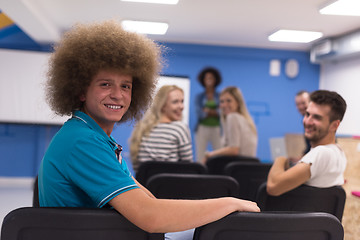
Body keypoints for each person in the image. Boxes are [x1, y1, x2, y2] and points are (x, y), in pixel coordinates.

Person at [37, 20, 259, 237]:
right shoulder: (82, 141)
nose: (117, 94)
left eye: (126, 86)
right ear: (81, 91)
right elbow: (150, 217)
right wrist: (229, 202)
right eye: (105, 84)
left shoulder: (97, 138)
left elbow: (149, 201)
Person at [267, 90, 347, 196]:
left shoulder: (321, 153)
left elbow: (273, 187)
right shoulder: (339, 152)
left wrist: (280, 158)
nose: (307, 122)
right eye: (307, 114)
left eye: (317, 117)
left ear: (334, 125)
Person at [129, 85, 193, 170]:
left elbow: (137, 168)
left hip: (143, 183)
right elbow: (188, 168)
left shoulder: (141, 129)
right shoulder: (179, 128)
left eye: (182, 101)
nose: (181, 107)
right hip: (171, 182)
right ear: (162, 105)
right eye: (175, 102)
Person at [202, 86, 258, 164]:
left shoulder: (232, 117)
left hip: (235, 170)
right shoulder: (247, 121)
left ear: (238, 102)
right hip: (246, 170)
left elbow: (234, 149)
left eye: (229, 101)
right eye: (222, 101)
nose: (224, 105)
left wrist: (209, 154)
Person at [195, 67, 222, 162]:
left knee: (219, 155)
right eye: (207, 78)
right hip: (202, 128)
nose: (209, 80)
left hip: (217, 128)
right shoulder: (199, 97)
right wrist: (214, 111)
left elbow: (221, 113)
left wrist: (208, 111)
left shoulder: (220, 96)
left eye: (211, 78)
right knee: (200, 156)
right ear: (203, 80)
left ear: (215, 80)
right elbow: (200, 114)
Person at [295, 90, 311, 155]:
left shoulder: (313, 122)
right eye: (298, 104)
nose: (301, 107)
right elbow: (310, 147)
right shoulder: (305, 120)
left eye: (303, 103)